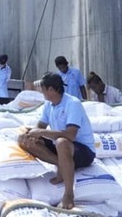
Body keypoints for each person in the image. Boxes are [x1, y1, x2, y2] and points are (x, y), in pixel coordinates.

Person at [18, 73, 95, 210]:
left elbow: (70, 135)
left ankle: (69, 194)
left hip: (82, 151)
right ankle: (62, 165)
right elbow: (41, 126)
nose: (42, 93)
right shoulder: (49, 105)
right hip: (60, 147)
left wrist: (41, 132)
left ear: (52, 90)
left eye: (43, 89)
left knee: (62, 142)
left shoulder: (73, 104)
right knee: (24, 139)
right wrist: (31, 133)